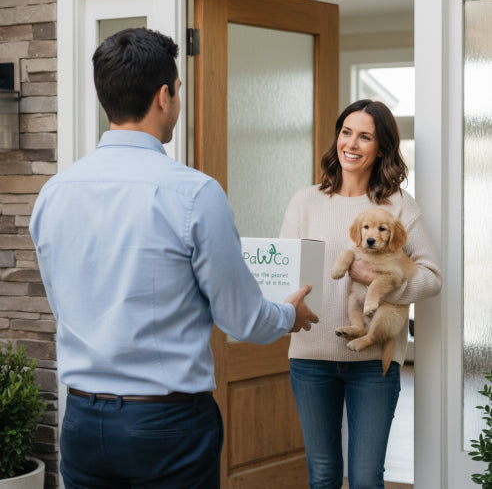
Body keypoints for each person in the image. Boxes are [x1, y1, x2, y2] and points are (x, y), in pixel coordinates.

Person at [29, 28, 319, 489]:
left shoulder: (52, 194)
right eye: (179, 90)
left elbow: (64, 301)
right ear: (165, 95)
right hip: (168, 427)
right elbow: (241, 319)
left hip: (82, 421)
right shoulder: (194, 193)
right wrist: (289, 315)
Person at [280, 99, 442, 489]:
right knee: (322, 477)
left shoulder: (399, 205)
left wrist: (377, 281)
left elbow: (432, 277)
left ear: (381, 148)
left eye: (365, 136)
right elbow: (286, 269)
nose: (351, 143)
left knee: (368, 478)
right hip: (311, 359)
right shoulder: (306, 200)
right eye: (346, 132)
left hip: (373, 363)